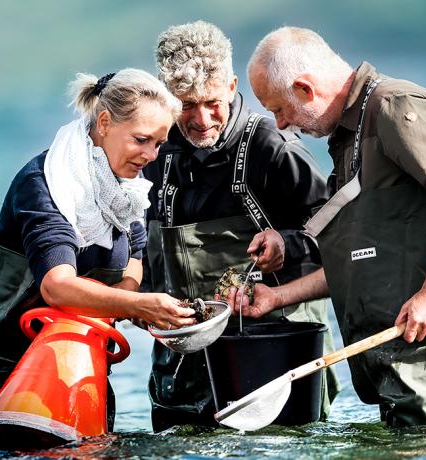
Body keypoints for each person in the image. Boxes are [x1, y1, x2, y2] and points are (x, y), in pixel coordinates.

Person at [235, 26, 426, 427]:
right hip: (400, 352)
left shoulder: (392, 105)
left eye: (279, 108)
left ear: (304, 89)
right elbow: (359, 260)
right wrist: (279, 298)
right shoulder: (347, 138)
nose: (279, 125)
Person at [0, 68, 196, 448]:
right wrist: (140, 305)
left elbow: (134, 260)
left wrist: (122, 304)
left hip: (79, 363)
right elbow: (56, 285)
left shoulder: (128, 189)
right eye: (142, 140)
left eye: (159, 144)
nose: (151, 155)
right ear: (105, 122)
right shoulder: (45, 183)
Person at [142, 21, 339, 432]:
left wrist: (288, 244)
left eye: (212, 101)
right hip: (181, 368)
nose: (201, 119)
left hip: (274, 356)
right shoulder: (154, 152)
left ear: (232, 87)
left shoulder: (274, 148)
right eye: (186, 105)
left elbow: (340, 240)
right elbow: (138, 247)